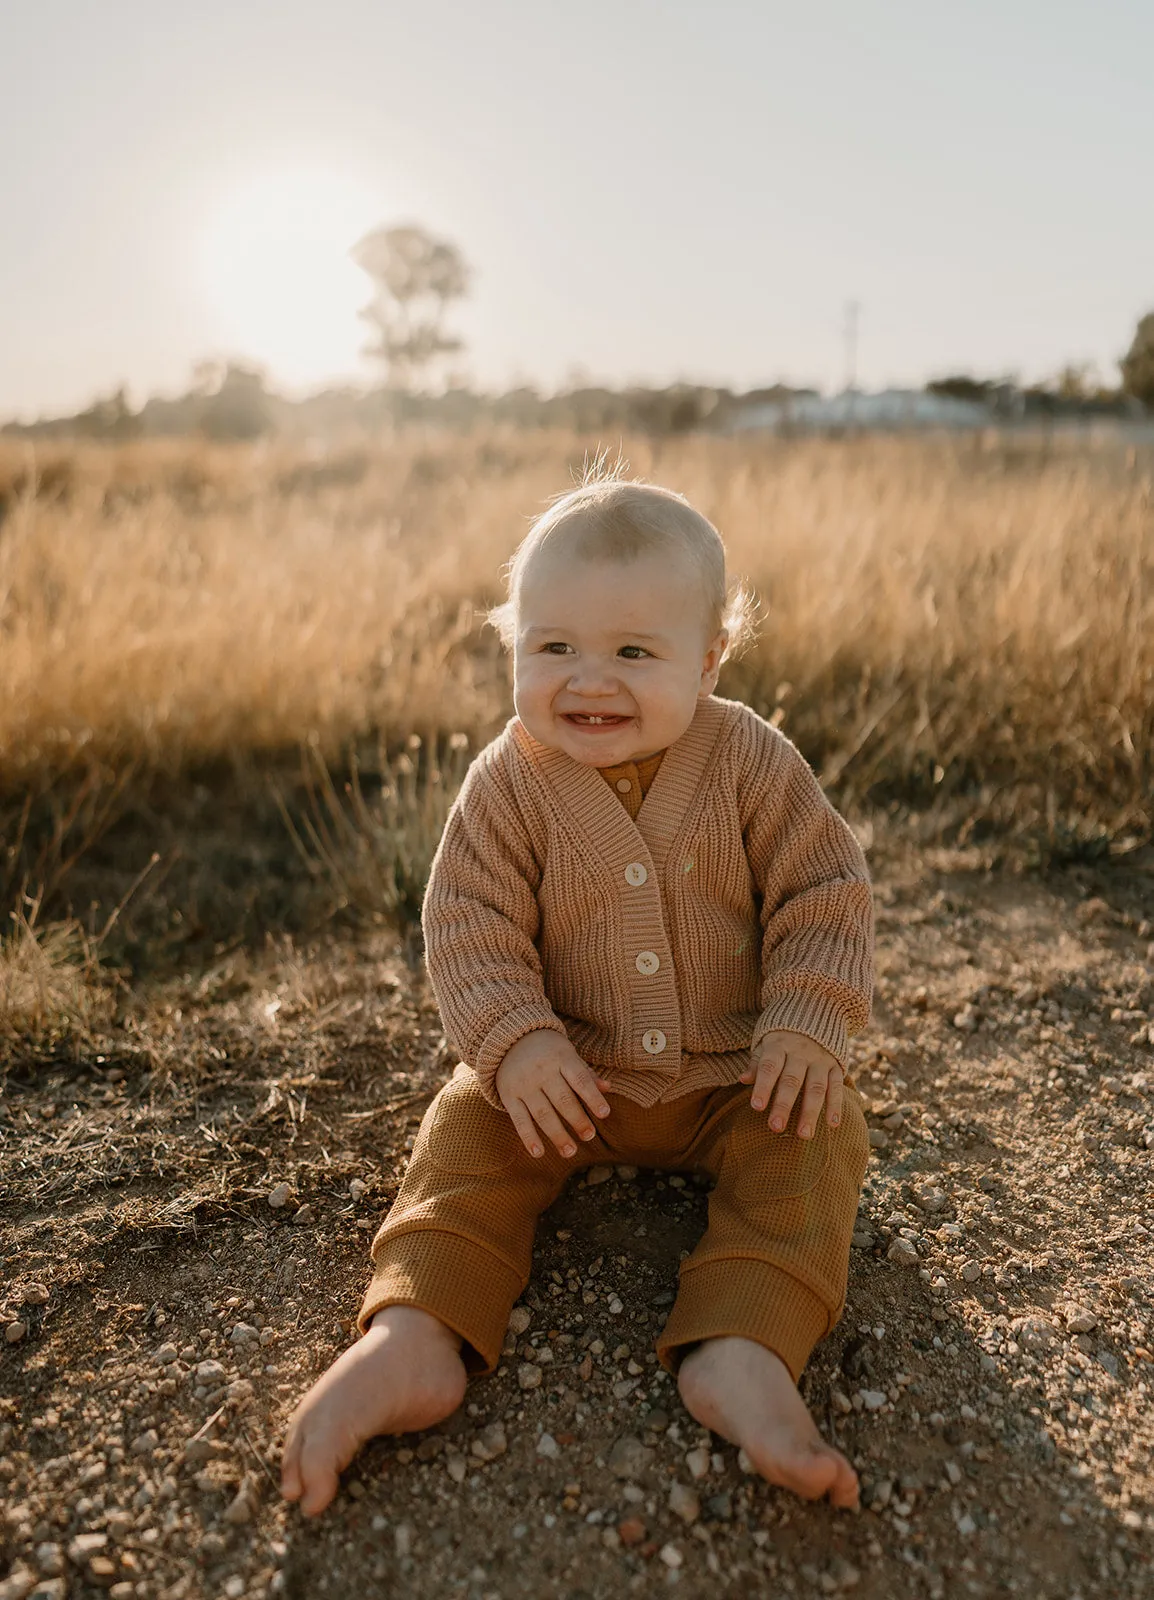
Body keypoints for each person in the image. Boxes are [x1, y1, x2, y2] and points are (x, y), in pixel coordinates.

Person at [280, 468, 873, 1518]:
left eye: (633, 652)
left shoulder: (748, 762)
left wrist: (805, 1019)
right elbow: (467, 924)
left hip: (733, 1075)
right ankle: (414, 1332)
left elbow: (821, 889)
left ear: (709, 658)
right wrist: (515, 1042)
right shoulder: (506, 786)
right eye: (552, 647)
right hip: (565, 1080)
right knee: (467, 1126)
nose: (586, 679)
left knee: (814, 1136)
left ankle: (742, 1342)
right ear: (513, 646)